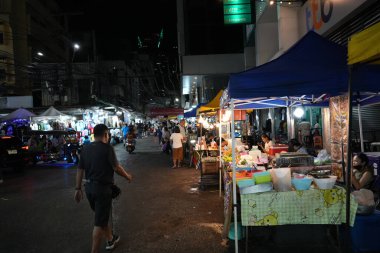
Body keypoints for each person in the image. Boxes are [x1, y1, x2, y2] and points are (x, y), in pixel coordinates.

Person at [74, 124, 132, 253]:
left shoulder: (86, 148)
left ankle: (111, 239)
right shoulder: (107, 148)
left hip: (89, 188)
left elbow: (80, 169)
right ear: (106, 135)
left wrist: (78, 189)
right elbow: (116, 168)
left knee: (101, 216)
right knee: (99, 223)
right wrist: (127, 176)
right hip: (102, 190)